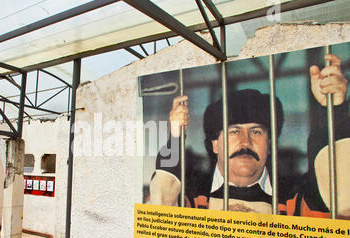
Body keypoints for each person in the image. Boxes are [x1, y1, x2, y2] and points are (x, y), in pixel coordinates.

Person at [148, 54, 349, 219]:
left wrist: (333, 110)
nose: (246, 142)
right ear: (215, 145)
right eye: (234, 131)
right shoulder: (192, 194)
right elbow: (161, 208)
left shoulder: (296, 197)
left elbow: (341, 200)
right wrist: (175, 136)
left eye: (256, 131)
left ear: (269, 144)